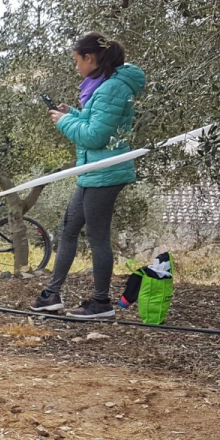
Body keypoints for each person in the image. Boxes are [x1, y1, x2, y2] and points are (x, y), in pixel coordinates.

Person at [31, 32, 145, 319]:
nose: (76, 67)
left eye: (76, 61)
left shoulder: (110, 89)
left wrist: (64, 121)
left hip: (105, 173)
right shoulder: (104, 86)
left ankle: (100, 303)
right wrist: (73, 114)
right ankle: (52, 295)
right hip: (92, 172)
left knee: (97, 237)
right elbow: (97, 125)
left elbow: (95, 137)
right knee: (68, 229)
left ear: (90, 58)